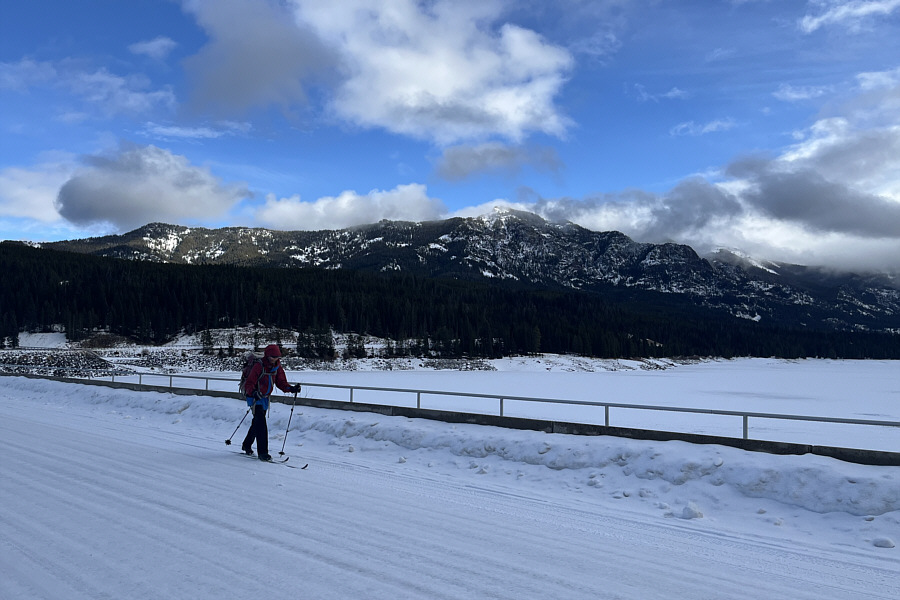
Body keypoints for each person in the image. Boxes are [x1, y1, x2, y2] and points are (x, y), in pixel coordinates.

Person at [242, 344, 300, 461]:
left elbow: (281, 382)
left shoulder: (277, 367)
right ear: (267, 355)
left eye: (277, 357)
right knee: (261, 424)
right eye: (273, 356)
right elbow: (249, 383)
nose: (275, 359)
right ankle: (263, 453)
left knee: (257, 421)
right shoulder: (259, 366)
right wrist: (253, 393)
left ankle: (247, 445)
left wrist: (291, 389)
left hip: (264, 397)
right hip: (254, 397)